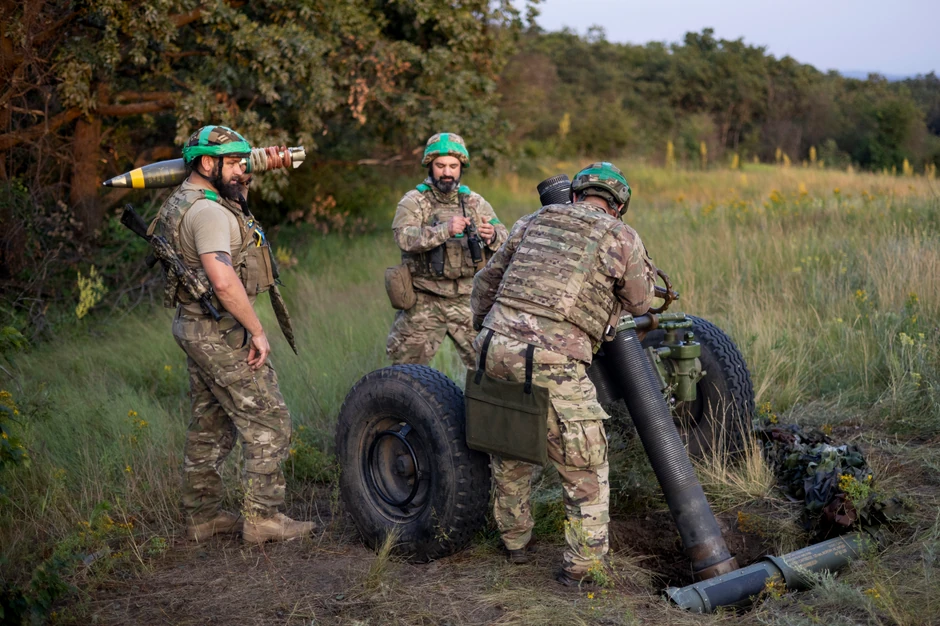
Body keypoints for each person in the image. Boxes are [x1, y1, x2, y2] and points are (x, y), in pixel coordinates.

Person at [469, 162, 656, 585]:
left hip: (494, 346)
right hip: (552, 357)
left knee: (510, 447)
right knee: (584, 464)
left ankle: (515, 542)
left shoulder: (533, 220)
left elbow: (487, 281)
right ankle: (583, 570)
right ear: (618, 205)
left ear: (575, 194)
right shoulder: (622, 236)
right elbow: (641, 302)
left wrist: (487, 329)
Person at [152, 125, 314, 543]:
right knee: (269, 418)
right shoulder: (207, 213)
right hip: (220, 331)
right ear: (208, 163)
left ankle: (202, 517)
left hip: (195, 325)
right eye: (235, 163)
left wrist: (254, 168)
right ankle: (263, 518)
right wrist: (257, 331)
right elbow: (223, 282)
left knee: (210, 424)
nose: (244, 170)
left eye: (244, 161)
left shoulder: (188, 198)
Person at [386, 132, 508, 367]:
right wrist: (445, 230)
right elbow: (403, 237)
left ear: (461, 167)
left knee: (489, 367)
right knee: (404, 370)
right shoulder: (414, 201)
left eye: (453, 166)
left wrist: (492, 235)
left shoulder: (475, 202)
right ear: (430, 166)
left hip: (468, 299)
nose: (447, 172)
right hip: (424, 300)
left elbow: (505, 236)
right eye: (440, 166)